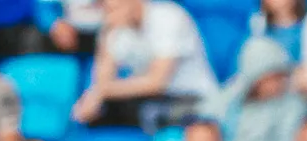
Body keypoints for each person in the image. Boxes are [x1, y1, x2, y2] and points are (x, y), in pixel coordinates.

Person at [72, 0, 216, 129]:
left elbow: (156, 83)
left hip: (193, 99)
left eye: (113, 7)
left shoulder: (168, 17)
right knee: (95, 114)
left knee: (148, 113)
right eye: (105, 9)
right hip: (153, 100)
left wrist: (100, 92)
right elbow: (102, 78)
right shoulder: (118, 27)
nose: (108, 15)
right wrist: (106, 33)